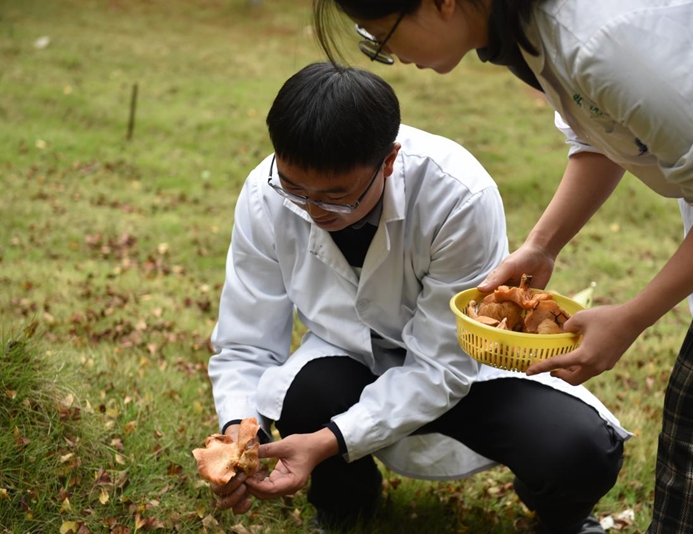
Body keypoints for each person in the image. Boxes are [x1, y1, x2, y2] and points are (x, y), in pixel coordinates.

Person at [311, 0, 693, 532]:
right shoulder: (533, 28)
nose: (389, 54)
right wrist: (543, 245)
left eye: (382, 35)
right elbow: (606, 128)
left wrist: (631, 317)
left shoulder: (604, 35)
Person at [206, 61, 630, 534]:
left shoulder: (457, 195)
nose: (311, 209)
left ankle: (565, 519)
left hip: (466, 372)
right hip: (349, 363)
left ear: (388, 160)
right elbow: (246, 340)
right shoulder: (263, 193)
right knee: (305, 393)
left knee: (578, 447)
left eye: (336, 196)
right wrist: (240, 438)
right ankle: (346, 506)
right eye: (294, 189)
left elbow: (442, 366)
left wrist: (330, 440)